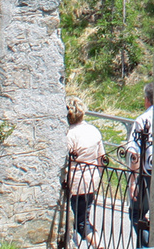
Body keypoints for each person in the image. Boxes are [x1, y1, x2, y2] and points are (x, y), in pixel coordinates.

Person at [64, 96, 105, 249]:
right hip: (91, 179)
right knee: (83, 217)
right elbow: (101, 158)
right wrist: (97, 177)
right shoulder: (93, 131)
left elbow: (65, 160)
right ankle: (96, 242)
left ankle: (98, 245)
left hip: (75, 182)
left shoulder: (69, 134)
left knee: (75, 220)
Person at [120, 83, 154, 247]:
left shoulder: (143, 120)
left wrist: (133, 181)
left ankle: (146, 245)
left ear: (147, 100)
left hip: (146, 176)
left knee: (137, 214)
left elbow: (134, 153)